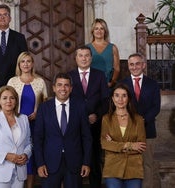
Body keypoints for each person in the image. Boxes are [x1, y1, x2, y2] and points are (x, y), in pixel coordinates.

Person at [34, 73, 92, 188]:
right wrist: (40, 163)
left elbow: (87, 137)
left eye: (66, 85)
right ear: (54, 88)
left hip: (74, 163)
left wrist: (86, 162)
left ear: (71, 88)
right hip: (50, 163)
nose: (63, 89)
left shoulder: (80, 106)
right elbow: (37, 138)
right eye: (59, 85)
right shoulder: (44, 108)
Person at [68, 45, 109, 188]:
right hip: (75, 125)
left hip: (95, 125)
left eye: (87, 55)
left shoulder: (99, 75)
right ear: (76, 58)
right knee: (76, 159)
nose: (84, 58)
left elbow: (105, 100)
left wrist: (96, 115)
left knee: (95, 159)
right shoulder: (69, 76)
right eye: (81, 55)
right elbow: (66, 101)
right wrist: (81, 117)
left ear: (91, 58)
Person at [7, 51, 48, 188]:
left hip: (36, 123)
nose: (26, 64)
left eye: (28, 61)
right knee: (19, 153)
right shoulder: (12, 81)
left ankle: (30, 185)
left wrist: (38, 113)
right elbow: (7, 101)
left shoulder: (40, 82)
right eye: (23, 61)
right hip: (16, 124)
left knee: (31, 155)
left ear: (32, 64)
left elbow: (45, 104)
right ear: (19, 64)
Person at [121, 53, 161, 188]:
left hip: (147, 129)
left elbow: (156, 107)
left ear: (143, 65)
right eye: (131, 64)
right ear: (128, 66)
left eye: (137, 63)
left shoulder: (153, 84)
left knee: (147, 164)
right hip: (126, 129)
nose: (134, 67)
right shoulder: (122, 84)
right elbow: (119, 105)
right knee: (128, 163)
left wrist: (142, 120)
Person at [0, 85, 32, 188]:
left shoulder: (24, 118)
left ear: (16, 101)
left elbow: (29, 143)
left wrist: (26, 155)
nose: (9, 101)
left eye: (12, 98)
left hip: (19, 172)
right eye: (4, 98)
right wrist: (6, 156)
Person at [101, 83, 146, 188]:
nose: (120, 99)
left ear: (128, 98)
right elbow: (105, 144)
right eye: (117, 95)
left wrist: (114, 144)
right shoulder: (106, 119)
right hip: (112, 169)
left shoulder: (138, 119)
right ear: (112, 98)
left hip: (133, 169)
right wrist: (129, 145)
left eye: (124, 95)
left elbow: (141, 147)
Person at [86, 18, 120, 88]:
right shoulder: (87, 48)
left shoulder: (113, 48)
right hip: (91, 84)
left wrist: (111, 82)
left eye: (102, 28)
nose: (99, 31)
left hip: (107, 84)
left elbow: (117, 68)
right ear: (92, 31)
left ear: (105, 31)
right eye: (96, 28)